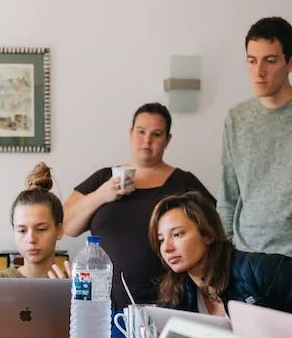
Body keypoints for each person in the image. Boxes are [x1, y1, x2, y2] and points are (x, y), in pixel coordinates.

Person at [63, 103, 214, 311]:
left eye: (156, 134)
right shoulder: (104, 178)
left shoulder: (183, 182)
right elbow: (66, 225)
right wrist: (101, 195)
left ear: (167, 140)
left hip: (170, 301)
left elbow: (215, 231)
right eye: (141, 132)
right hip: (104, 304)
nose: (147, 140)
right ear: (130, 133)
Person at [218, 16, 292, 279]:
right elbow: (228, 198)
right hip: (245, 263)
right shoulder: (237, 117)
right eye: (251, 60)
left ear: (291, 62)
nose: (259, 72)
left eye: (270, 60)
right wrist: (220, 260)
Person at [148, 191, 292, 338]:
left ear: (208, 234)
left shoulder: (263, 271)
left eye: (177, 234)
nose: (167, 247)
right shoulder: (178, 293)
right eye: (161, 239)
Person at [0, 163, 71, 279]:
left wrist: (71, 295)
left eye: (41, 229)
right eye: (22, 231)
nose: (31, 239)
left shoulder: (77, 285)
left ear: (59, 230)